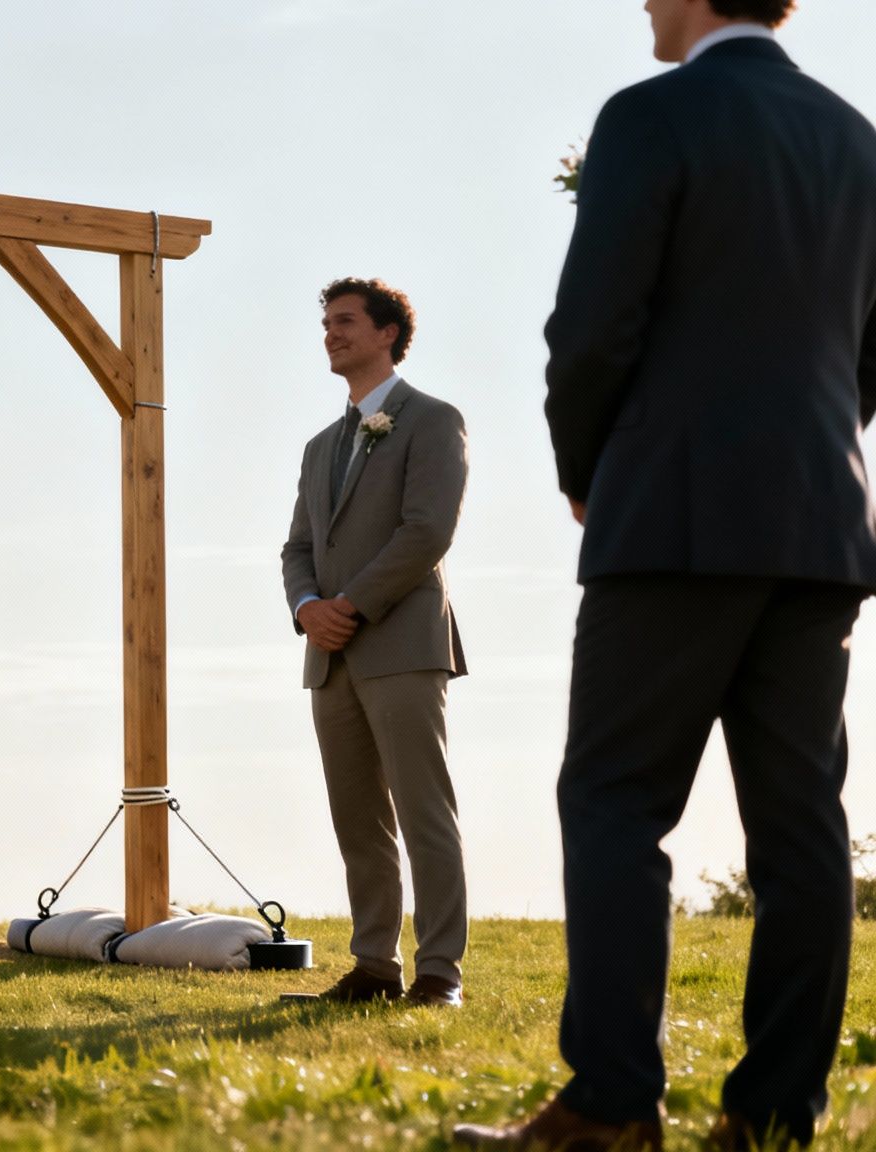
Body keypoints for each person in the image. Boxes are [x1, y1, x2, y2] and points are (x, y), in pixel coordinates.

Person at [453, 1, 876, 1149]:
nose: (641, 1)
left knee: (612, 800)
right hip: (818, 527)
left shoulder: (650, 116)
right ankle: (775, 1116)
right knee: (800, 832)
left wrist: (587, 470)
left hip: (673, 514)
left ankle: (608, 1106)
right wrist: (809, 449)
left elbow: (589, 325)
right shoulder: (856, 138)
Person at [281, 277, 471, 1008]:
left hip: (402, 643)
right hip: (329, 657)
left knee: (425, 813)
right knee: (357, 818)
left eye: (347, 321)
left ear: (389, 333)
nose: (332, 333)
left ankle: (439, 974)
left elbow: (428, 530)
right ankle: (372, 968)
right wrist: (307, 609)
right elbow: (297, 546)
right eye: (326, 322)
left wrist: (349, 606)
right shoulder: (318, 446)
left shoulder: (432, 420)